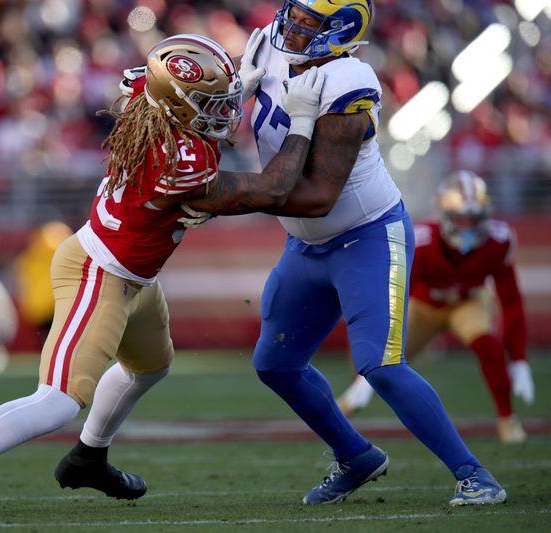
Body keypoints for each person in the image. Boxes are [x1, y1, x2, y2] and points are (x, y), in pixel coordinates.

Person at [68, 1, 508, 508]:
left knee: (378, 364)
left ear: (339, 31)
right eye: (293, 14)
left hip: (365, 235)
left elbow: (319, 193)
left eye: (308, 22)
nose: (292, 27)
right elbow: (223, 123)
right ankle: (355, 455)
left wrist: (219, 201)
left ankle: (474, 474)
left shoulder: (348, 81)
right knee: (276, 363)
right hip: (306, 242)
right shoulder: (265, 46)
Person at [0, 33, 326, 516]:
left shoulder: (153, 99)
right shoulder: (178, 158)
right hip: (98, 272)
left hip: (136, 276)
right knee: (57, 401)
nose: (225, 113)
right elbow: (273, 189)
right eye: (211, 104)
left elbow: (177, 85)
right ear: (178, 105)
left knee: (151, 366)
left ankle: (88, 458)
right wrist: (303, 120)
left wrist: (242, 72)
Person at [336, 170, 534, 444]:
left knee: (487, 343)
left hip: (468, 302)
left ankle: (507, 418)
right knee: (376, 352)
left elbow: (511, 300)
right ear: (445, 215)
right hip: (424, 305)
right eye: (460, 218)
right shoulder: (422, 242)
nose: (467, 226)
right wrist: (364, 374)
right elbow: (392, 300)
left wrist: (519, 358)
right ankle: (356, 391)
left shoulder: (498, 240)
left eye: (474, 218)